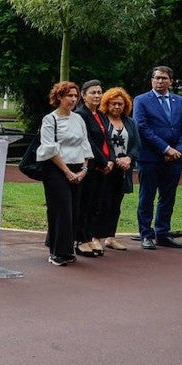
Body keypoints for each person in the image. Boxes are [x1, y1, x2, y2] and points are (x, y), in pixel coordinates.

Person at [132, 66, 182, 249]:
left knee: (168, 197)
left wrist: (177, 150)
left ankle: (162, 233)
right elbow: (141, 127)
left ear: (171, 81)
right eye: (156, 78)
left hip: (175, 159)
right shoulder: (141, 100)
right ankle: (146, 235)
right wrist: (165, 149)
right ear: (151, 80)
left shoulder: (180, 101)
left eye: (164, 78)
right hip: (150, 157)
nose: (159, 81)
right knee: (147, 197)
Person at [37, 81, 93, 266]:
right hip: (56, 170)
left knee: (74, 210)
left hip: (78, 168)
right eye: (69, 96)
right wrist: (67, 172)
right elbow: (50, 149)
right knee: (61, 210)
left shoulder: (79, 119)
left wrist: (84, 169)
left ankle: (64, 247)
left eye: (76, 96)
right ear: (59, 97)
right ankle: (57, 252)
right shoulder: (49, 119)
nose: (73, 99)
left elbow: (85, 144)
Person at [95, 87, 140, 251]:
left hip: (123, 171)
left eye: (120, 104)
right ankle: (96, 237)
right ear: (106, 104)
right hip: (105, 168)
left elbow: (136, 144)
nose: (117, 107)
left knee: (116, 204)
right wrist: (114, 159)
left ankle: (110, 237)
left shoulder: (130, 122)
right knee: (102, 203)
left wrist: (129, 158)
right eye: (113, 103)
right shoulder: (102, 120)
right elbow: (101, 143)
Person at [73, 79, 111, 257]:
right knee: (85, 204)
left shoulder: (101, 114)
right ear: (83, 95)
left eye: (99, 92)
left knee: (96, 204)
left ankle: (90, 237)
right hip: (90, 166)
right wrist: (104, 162)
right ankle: (81, 240)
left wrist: (111, 159)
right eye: (93, 92)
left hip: (103, 167)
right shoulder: (81, 115)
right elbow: (87, 141)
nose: (97, 95)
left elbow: (107, 139)